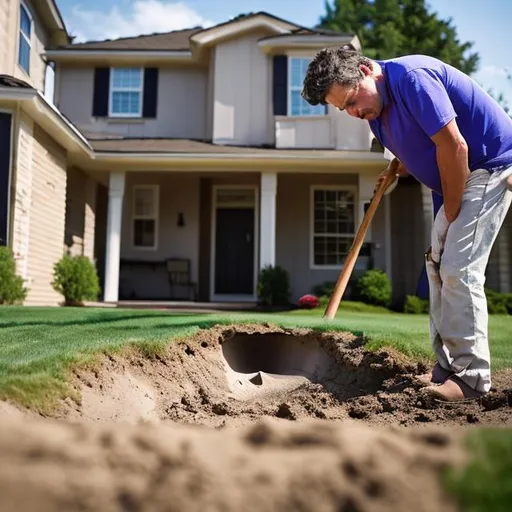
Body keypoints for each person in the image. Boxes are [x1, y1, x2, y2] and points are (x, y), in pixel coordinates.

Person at [301, 47, 512, 402]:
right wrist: (396, 167)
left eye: (352, 99)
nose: (354, 113)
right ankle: (447, 367)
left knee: (459, 269)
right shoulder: (375, 111)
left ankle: (472, 379)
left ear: (368, 70)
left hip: (487, 167)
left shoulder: (412, 79)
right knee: (437, 270)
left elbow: (455, 147)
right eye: (344, 109)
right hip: (450, 182)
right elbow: (412, 141)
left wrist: (452, 216)